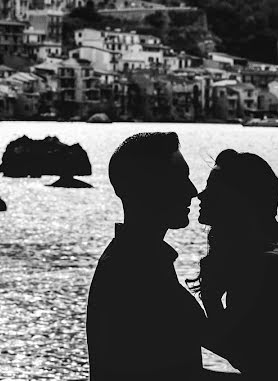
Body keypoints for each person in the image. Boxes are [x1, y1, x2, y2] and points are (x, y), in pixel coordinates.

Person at [194, 149, 278, 379]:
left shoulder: (265, 264)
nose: (201, 195)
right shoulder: (263, 255)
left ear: (239, 200)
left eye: (213, 188)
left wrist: (207, 304)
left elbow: (249, 359)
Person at [86, 132, 208, 380]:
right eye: (180, 179)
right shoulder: (133, 270)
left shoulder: (136, 260)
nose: (193, 191)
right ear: (148, 186)